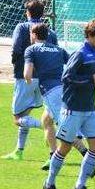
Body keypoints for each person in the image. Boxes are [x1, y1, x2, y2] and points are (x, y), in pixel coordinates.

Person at [43, 19, 95, 189]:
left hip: (89, 109)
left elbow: (91, 78)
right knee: (64, 148)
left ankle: (80, 185)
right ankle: (49, 183)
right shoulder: (80, 53)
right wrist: (91, 79)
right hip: (73, 110)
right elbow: (67, 78)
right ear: (92, 36)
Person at [23, 24, 88, 171]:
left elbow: (27, 75)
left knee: (65, 129)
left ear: (34, 34)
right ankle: (52, 156)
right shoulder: (57, 49)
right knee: (46, 120)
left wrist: (30, 85)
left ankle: (87, 155)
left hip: (52, 92)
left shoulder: (31, 49)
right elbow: (74, 64)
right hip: (66, 89)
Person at [3, 0, 58, 161]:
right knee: (26, 114)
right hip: (45, 80)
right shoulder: (51, 32)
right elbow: (55, 53)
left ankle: (46, 127)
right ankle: (19, 151)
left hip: (25, 77)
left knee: (18, 118)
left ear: (27, 12)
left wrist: (17, 65)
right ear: (43, 13)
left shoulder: (21, 27)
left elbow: (16, 48)